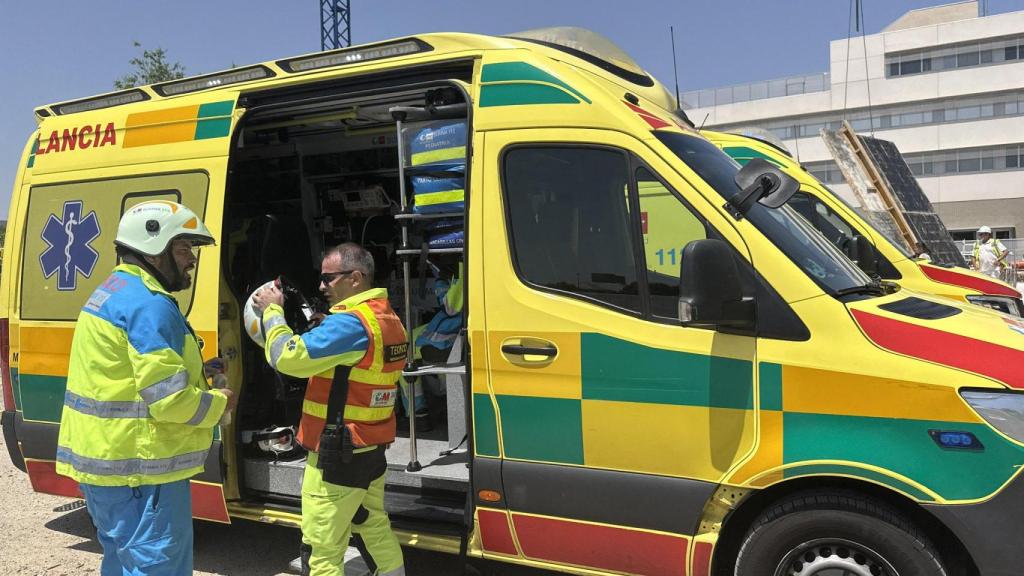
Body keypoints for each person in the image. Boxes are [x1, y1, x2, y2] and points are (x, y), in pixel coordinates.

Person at [56, 201, 236, 576]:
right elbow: (169, 402)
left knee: (123, 563)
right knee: (157, 568)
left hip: (109, 469)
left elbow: (130, 375)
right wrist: (219, 403)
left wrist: (198, 372)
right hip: (142, 474)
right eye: (183, 248)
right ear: (154, 250)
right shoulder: (150, 305)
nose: (191, 259)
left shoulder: (116, 290)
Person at [252, 243, 406, 576]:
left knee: (321, 549)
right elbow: (357, 367)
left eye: (328, 278)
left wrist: (273, 312)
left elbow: (288, 357)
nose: (321, 286)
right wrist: (327, 326)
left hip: (337, 454)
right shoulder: (386, 318)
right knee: (372, 526)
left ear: (355, 278)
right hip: (369, 448)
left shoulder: (349, 326)